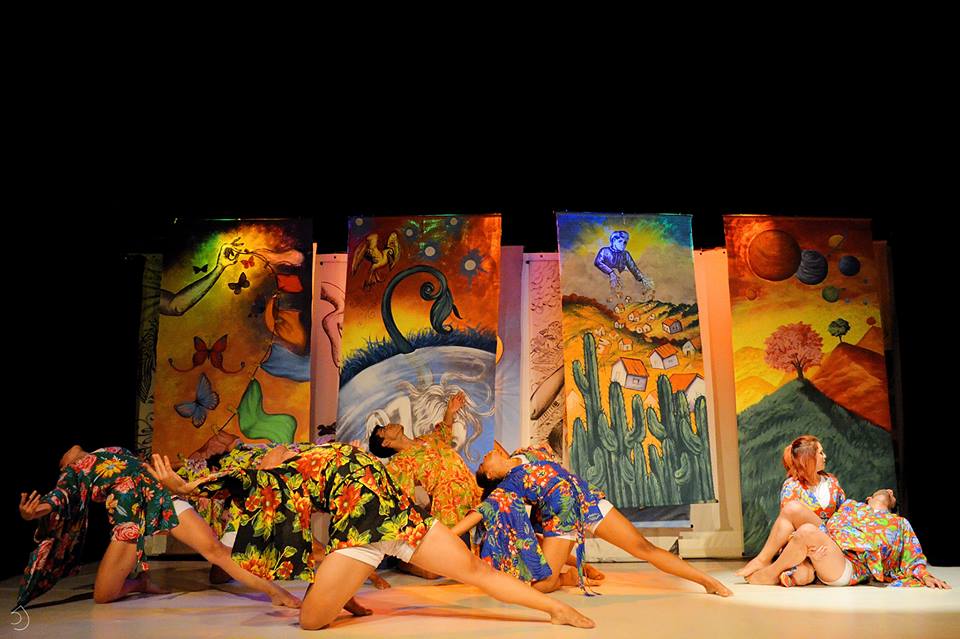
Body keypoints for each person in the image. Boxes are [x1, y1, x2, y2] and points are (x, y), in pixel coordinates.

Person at [147, 442, 595, 630]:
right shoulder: (283, 471)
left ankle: (555, 608)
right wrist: (189, 488)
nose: (270, 456)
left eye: (269, 456)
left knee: (475, 570)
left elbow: (246, 474)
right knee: (312, 621)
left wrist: (189, 487)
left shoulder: (299, 458)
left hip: (389, 520)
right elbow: (241, 477)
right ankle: (342, 594)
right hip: (370, 528)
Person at [16, 445, 300, 609]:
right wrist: (35, 513)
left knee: (215, 551)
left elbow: (145, 469)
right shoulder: (74, 472)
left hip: (161, 499)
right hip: (131, 520)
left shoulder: (113, 450)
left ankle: (275, 592)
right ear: (64, 464)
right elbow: (61, 496)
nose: (74, 452)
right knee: (103, 596)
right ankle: (140, 582)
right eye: (68, 456)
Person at [453, 446, 731, 597]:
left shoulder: (524, 454)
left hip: (586, 501)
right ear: (491, 476)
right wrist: (448, 534)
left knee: (643, 548)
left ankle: (705, 580)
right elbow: (480, 512)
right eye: (483, 464)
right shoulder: (507, 486)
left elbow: (502, 449)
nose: (485, 456)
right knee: (543, 586)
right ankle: (568, 578)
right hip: (559, 520)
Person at [370, 391, 483, 578]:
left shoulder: (425, 440)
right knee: (437, 570)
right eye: (383, 430)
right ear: (386, 443)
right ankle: (403, 562)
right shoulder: (399, 463)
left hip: (473, 492)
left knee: (480, 548)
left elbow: (443, 431)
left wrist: (450, 410)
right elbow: (400, 496)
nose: (387, 425)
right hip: (449, 504)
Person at [746, 489, 950, 589]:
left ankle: (772, 573)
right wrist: (824, 540)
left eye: (892, 494)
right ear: (868, 499)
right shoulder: (851, 506)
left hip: (848, 564)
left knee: (807, 531)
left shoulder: (898, 523)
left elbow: (913, 555)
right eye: (886, 490)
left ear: (892, 505)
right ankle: (768, 560)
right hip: (831, 542)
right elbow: (831, 526)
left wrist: (924, 575)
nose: (890, 491)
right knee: (793, 508)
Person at [736, 435, 845, 578]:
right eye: (820, 453)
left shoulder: (832, 482)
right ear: (808, 458)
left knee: (794, 509)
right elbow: (786, 527)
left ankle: (763, 561)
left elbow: (843, 515)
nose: (825, 456)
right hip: (803, 544)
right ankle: (774, 568)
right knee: (801, 576)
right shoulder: (792, 486)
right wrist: (807, 550)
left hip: (828, 540)